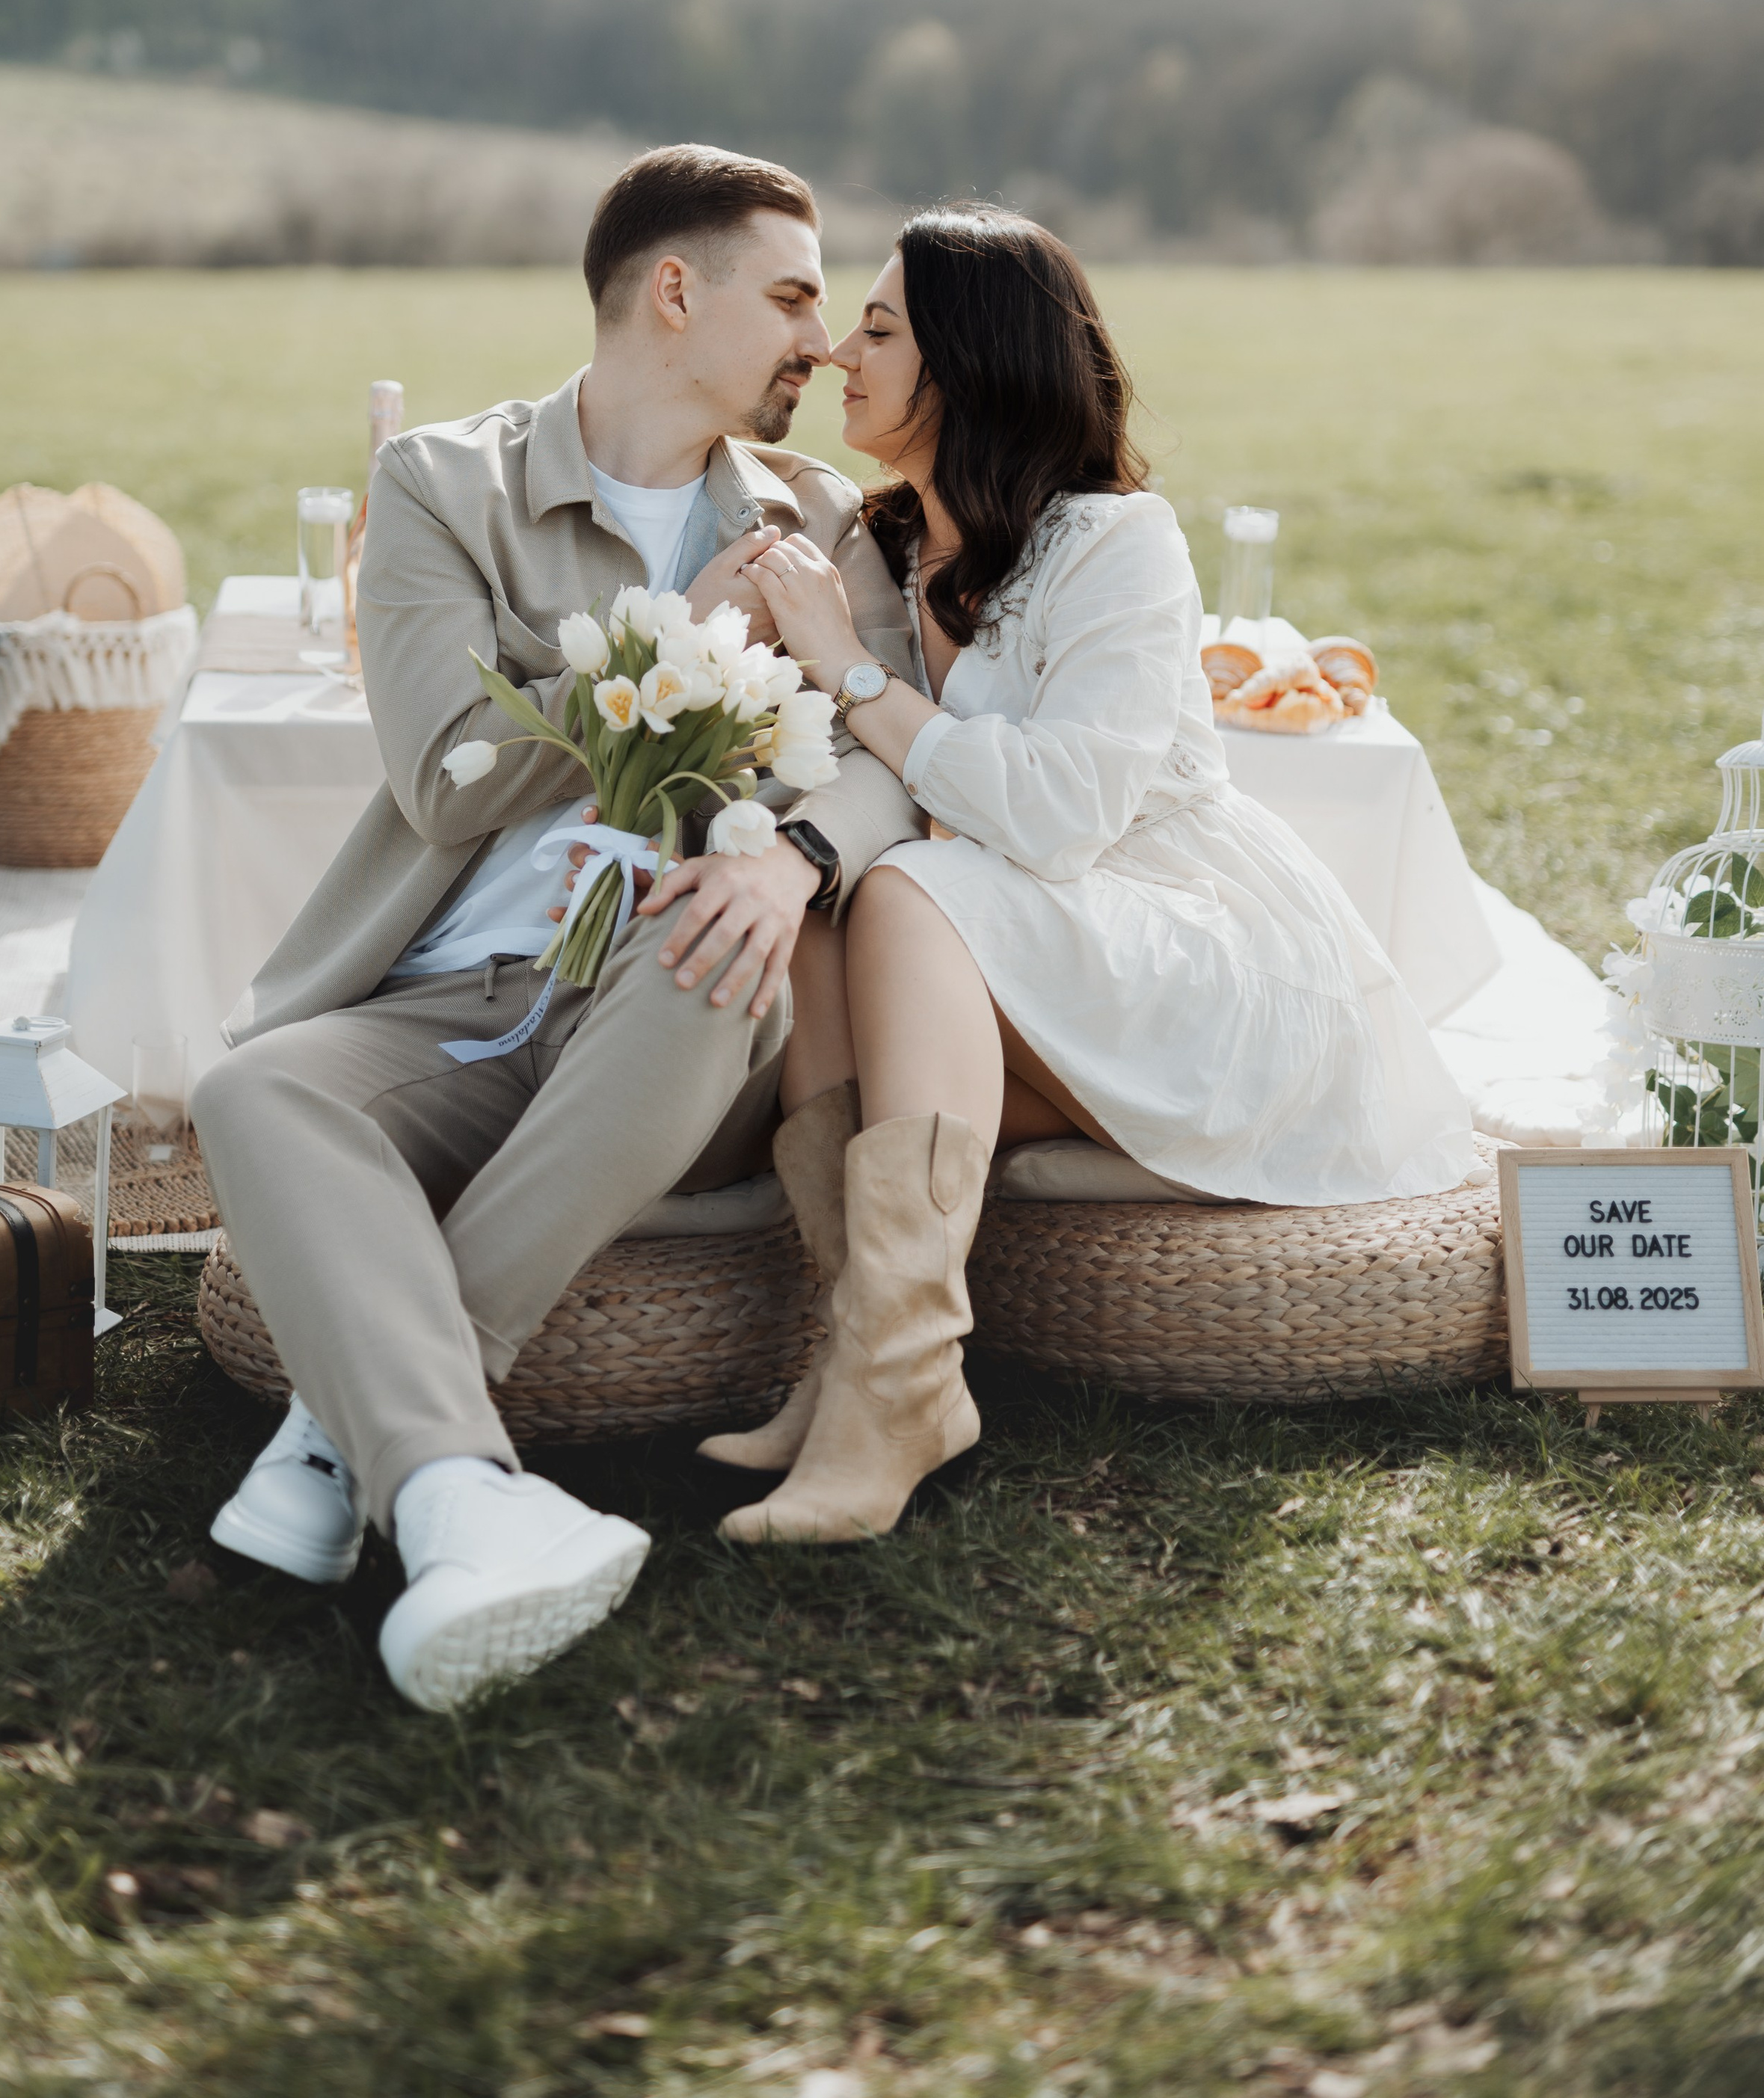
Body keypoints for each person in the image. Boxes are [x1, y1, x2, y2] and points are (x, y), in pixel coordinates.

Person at [191, 146, 918, 1707]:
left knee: (710, 950)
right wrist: (680, 645)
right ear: (675, 290)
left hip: (663, 1000)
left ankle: (341, 1444)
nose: (817, 338)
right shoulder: (443, 486)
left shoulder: (817, 510)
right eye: (791, 296)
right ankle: (456, 1497)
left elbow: (883, 767)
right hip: (449, 999)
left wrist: (792, 857)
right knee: (254, 1091)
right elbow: (446, 780)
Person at [698, 204, 1482, 1544]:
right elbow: (864, 775)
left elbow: (1062, 816)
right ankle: (861, 1356)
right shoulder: (884, 552)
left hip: (1192, 948)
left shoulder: (1119, 544)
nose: (838, 352)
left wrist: (849, 669)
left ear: (975, 361)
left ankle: (899, 1387)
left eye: (879, 329)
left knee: (900, 892)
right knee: (832, 913)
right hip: (1027, 957)